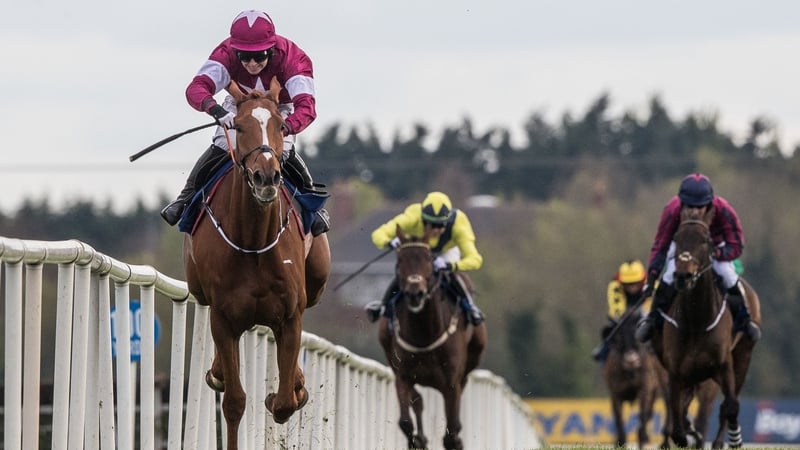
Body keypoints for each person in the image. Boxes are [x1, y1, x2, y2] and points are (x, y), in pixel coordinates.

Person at [160, 10, 330, 236]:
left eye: (259, 57)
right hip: (240, 106)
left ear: (272, 48)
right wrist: (217, 110)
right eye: (244, 56)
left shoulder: (293, 59)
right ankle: (185, 198)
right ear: (234, 50)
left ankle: (313, 207)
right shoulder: (225, 53)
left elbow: (306, 107)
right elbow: (196, 88)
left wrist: (284, 127)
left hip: (279, 109)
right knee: (223, 144)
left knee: (283, 150)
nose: (251, 63)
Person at [635, 173, 761, 343]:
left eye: (699, 207)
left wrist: (717, 254)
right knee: (669, 274)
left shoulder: (723, 209)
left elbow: (737, 244)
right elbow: (660, 245)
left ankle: (744, 319)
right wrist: (651, 278)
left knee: (727, 274)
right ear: (682, 203)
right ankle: (652, 320)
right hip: (683, 246)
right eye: (689, 207)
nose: (694, 212)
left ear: (709, 204)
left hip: (714, 247)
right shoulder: (672, 210)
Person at [364, 191, 485, 325]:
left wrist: (450, 266)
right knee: (407, 272)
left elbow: (475, 259)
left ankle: (469, 307)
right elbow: (378, 234)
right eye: (431, 224)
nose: (435, 230)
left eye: (440, 225)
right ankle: (383, 305)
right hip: (418, 252)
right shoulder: (412, 216)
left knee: (451, 275)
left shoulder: (459, 225)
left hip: (445, 252)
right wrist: (389, 242)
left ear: (448, 221)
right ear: (422, 219)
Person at [593, 260, 649, 362]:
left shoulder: (651, 283)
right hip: (624, 321)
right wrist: (622, 316)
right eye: (628, 284)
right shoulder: (615, 285)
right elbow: (616, 310)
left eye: (635, 283)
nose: (632, 287)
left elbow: (650, 306)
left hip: (644, 318)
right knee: (610, 335)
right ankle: (603, 355)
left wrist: (643, 315)